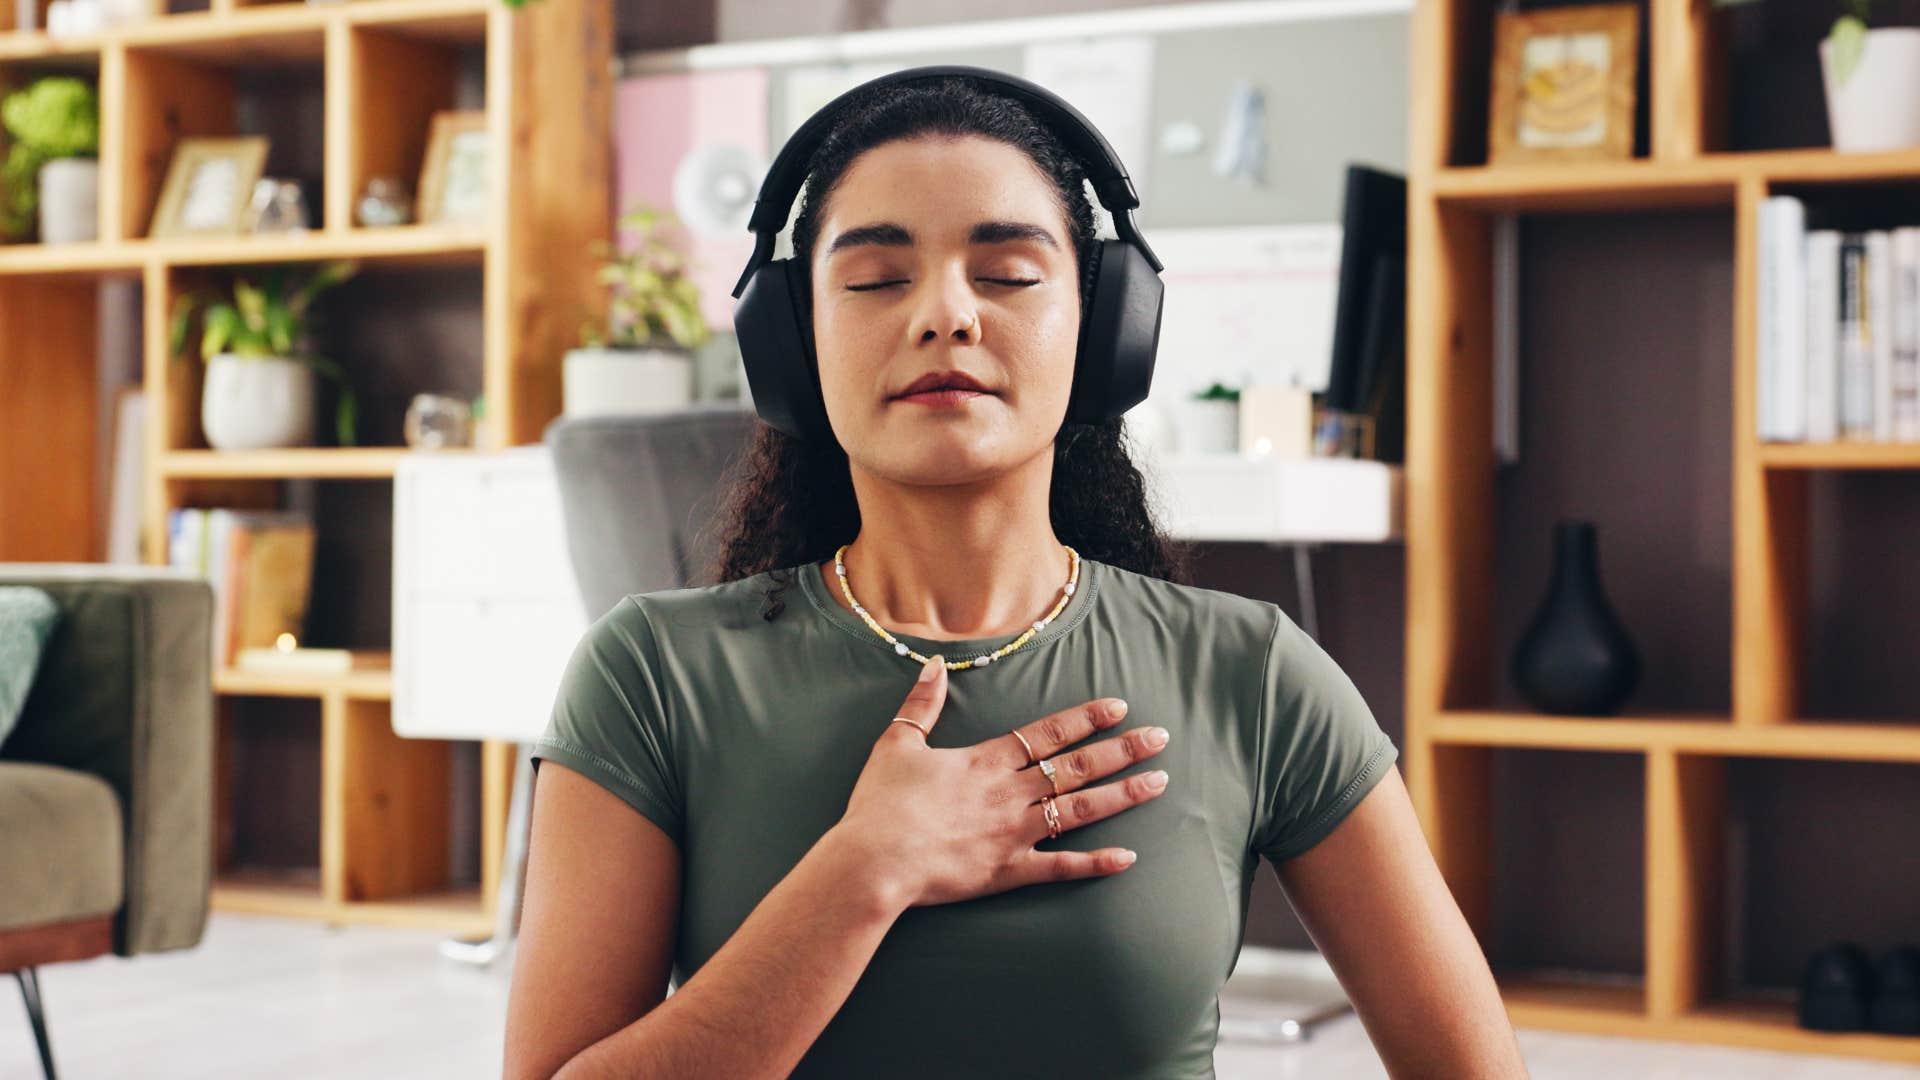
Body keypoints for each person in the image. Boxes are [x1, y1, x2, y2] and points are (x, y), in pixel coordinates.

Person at [504, 72, 1527, 1079]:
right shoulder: (649, 674)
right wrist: (866, 871)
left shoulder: (1253, 673)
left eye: (1008, 274)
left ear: (1105, 328)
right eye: (873, 279)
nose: (947, 315)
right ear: (791, 340)